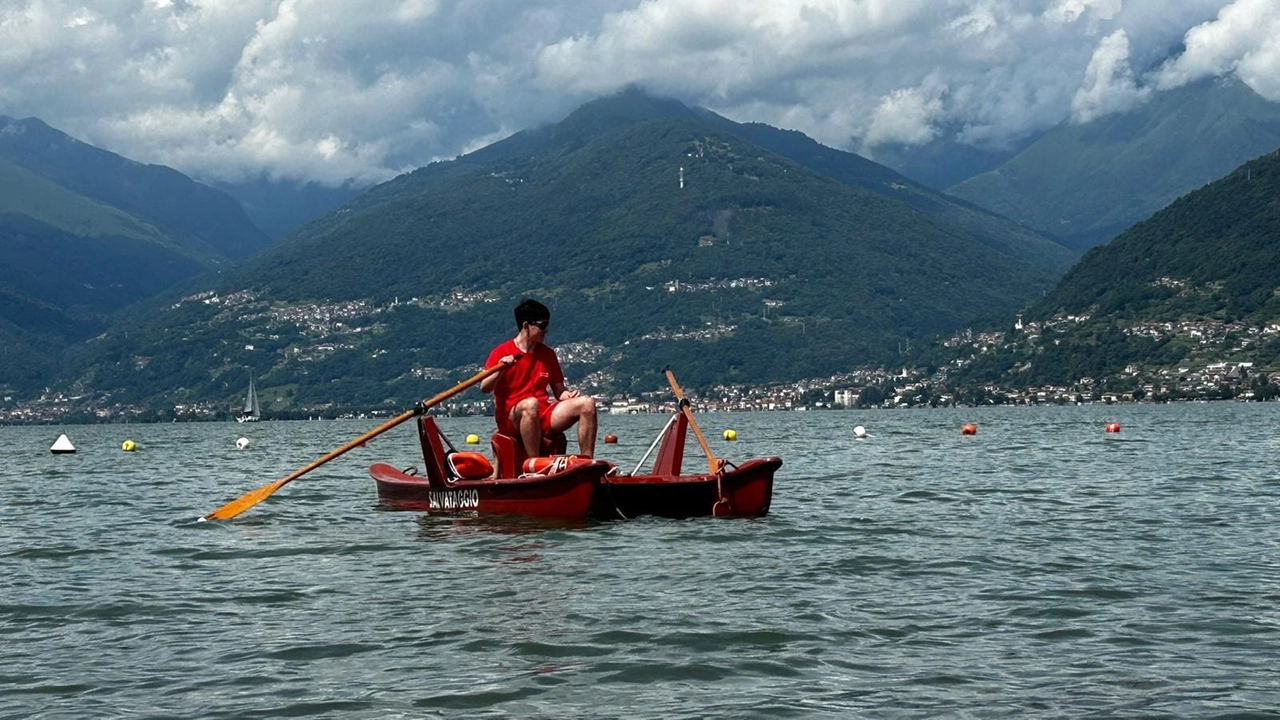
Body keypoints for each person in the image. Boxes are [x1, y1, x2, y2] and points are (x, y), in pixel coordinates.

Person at [481, 298, 597, 459]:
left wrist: (568, 395)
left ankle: (587, 461)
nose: (546, 330)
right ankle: (534, 462)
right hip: (511, 417)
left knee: (587, 403)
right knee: (530, 404)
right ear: (526, 326)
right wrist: (500, 369)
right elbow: (484, 387)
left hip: (542, 412)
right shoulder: (501, 352)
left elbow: (559, 391)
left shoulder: (548, 354)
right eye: (542, 325)